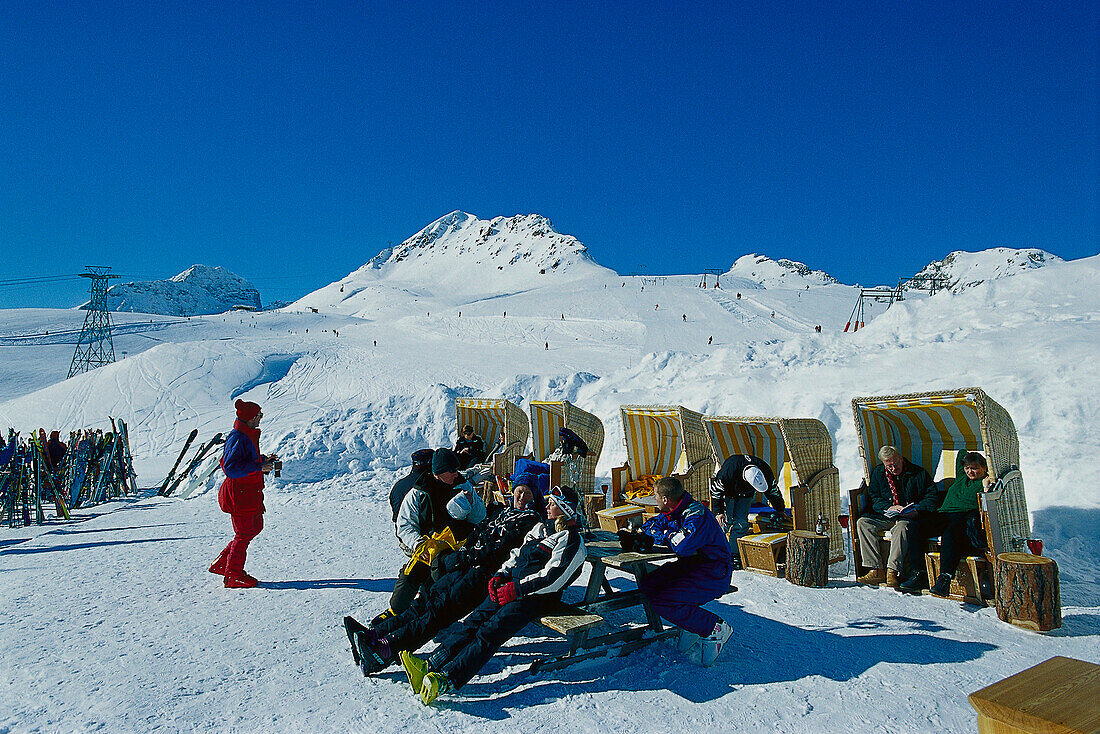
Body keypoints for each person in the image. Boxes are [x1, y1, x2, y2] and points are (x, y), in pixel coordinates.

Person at [400, 485, 586, 705]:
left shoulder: (572, 540)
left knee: (491, 630)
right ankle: (432, 663)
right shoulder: (541, 529)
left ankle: (448, 678)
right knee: (475, 620)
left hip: (536, 598)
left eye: (552, 504)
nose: (546, 506)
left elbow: (552, 578)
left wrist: (516, 589)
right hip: (511, 587)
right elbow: (516, 555)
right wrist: (501, 574)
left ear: (565, 510)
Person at [345, 482, 546, 675]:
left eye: (527, 493)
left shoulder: (531, 521)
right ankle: (375, 635)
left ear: (534, 497)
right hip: (465, 565)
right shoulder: (500, 511)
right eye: (519, 491)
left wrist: (467, 556)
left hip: (483, 575)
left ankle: (384, 652)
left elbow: (501, 548)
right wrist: (461, 555)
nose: (521, 497)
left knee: (437, 612)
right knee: (425, 600)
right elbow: (477, 533)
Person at [625, 476, 734, 666]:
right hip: (693, 566)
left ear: (665, 499)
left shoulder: (695, 515)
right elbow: (650, 526)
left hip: (714, 572)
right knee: (649, 585)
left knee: (663, 601)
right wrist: (664, 535)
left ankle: (714, 627)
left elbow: (682, 545)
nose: (654, 499)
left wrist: (664, 535)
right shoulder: (674, 511)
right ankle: (691, 623)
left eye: (655, 496)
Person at [388, 448, 486, 616]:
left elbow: (480, 517)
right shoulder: (418, 492)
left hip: (456, 544)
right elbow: (405, 524)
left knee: (438, 571)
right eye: (452, 470)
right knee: (409, 575)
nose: (456, 474)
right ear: (439, 472)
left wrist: (471, 502)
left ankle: (429, 611)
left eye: (457, 469)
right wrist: (419, 543)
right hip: (427, 544)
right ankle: (394, 614)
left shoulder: (463, 485)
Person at [900, 451, 993, 595]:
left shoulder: (984, 482)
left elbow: (988, 504)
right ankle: (918, 573)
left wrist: (987, 484)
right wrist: (971, 455)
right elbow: (961, 453)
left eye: (974, 468)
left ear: (984, 468)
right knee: (915, 527)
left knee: (950, 533)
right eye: (967, 467)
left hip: (964, 515)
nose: (970, 471)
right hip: (943, 513)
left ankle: (945, 578)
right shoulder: (962, 477)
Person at [210, 399, 278, 588]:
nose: (261, 418)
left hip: (248, 492)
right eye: (259, 415)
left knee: (253, 528)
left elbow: (243, 460)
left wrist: (262, 460)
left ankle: (223, 563)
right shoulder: (239, 437)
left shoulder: (246, 435)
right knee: (245, 532)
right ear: (251, 418)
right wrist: (258, 466)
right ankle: (233, 574)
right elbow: (231, 468)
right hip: (239, 494)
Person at [855, 445, 937, 588]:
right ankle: (875, 568)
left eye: (895, 464)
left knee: (902, 527)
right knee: (863, 522)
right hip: (887, 515)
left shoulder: (917, 473)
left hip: (908, 516)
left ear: (901, 458)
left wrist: (917, 509)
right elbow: (875, 497)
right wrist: (887, 507)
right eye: (889, 466)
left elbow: (931, 497)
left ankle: (892, 571)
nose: (893, 468)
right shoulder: (879, 473)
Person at [710, 454, 787, 558]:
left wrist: (780, 509)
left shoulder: (765, 470)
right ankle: (714, 552)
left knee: (741, 523)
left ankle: (734, 554)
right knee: (724, 523)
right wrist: (718, 512)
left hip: (746, 494)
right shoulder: (729, 469)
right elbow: (716, 492)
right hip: (727, 492)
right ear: (746, 480)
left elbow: (773, 492)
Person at [388, 449, 434, 526]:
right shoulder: (429, 485)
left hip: (404, 533)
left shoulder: (398, 486)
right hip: (430, 535)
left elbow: (397, 517)